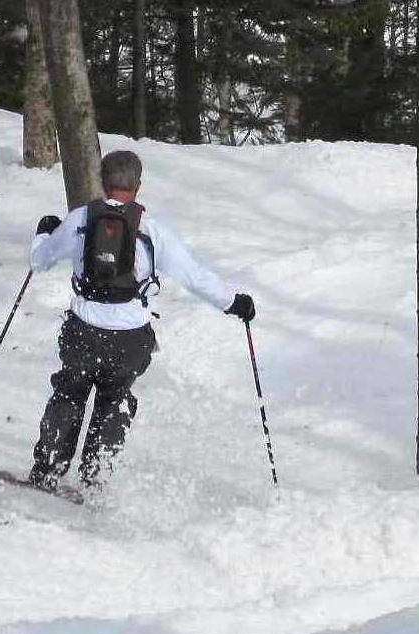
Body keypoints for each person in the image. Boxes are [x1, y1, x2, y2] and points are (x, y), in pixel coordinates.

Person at [27, 150, 255, 492]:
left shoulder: (80, 219)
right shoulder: (151, 230)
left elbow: (39, 261)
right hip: (131, 337)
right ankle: (95, 482)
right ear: (137, 185)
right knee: (115, 399)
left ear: (104, 182)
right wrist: (233, 303)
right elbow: (193, 276)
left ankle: (47, 473)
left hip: (84, 330)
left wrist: (44, 234)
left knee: (69, 394)